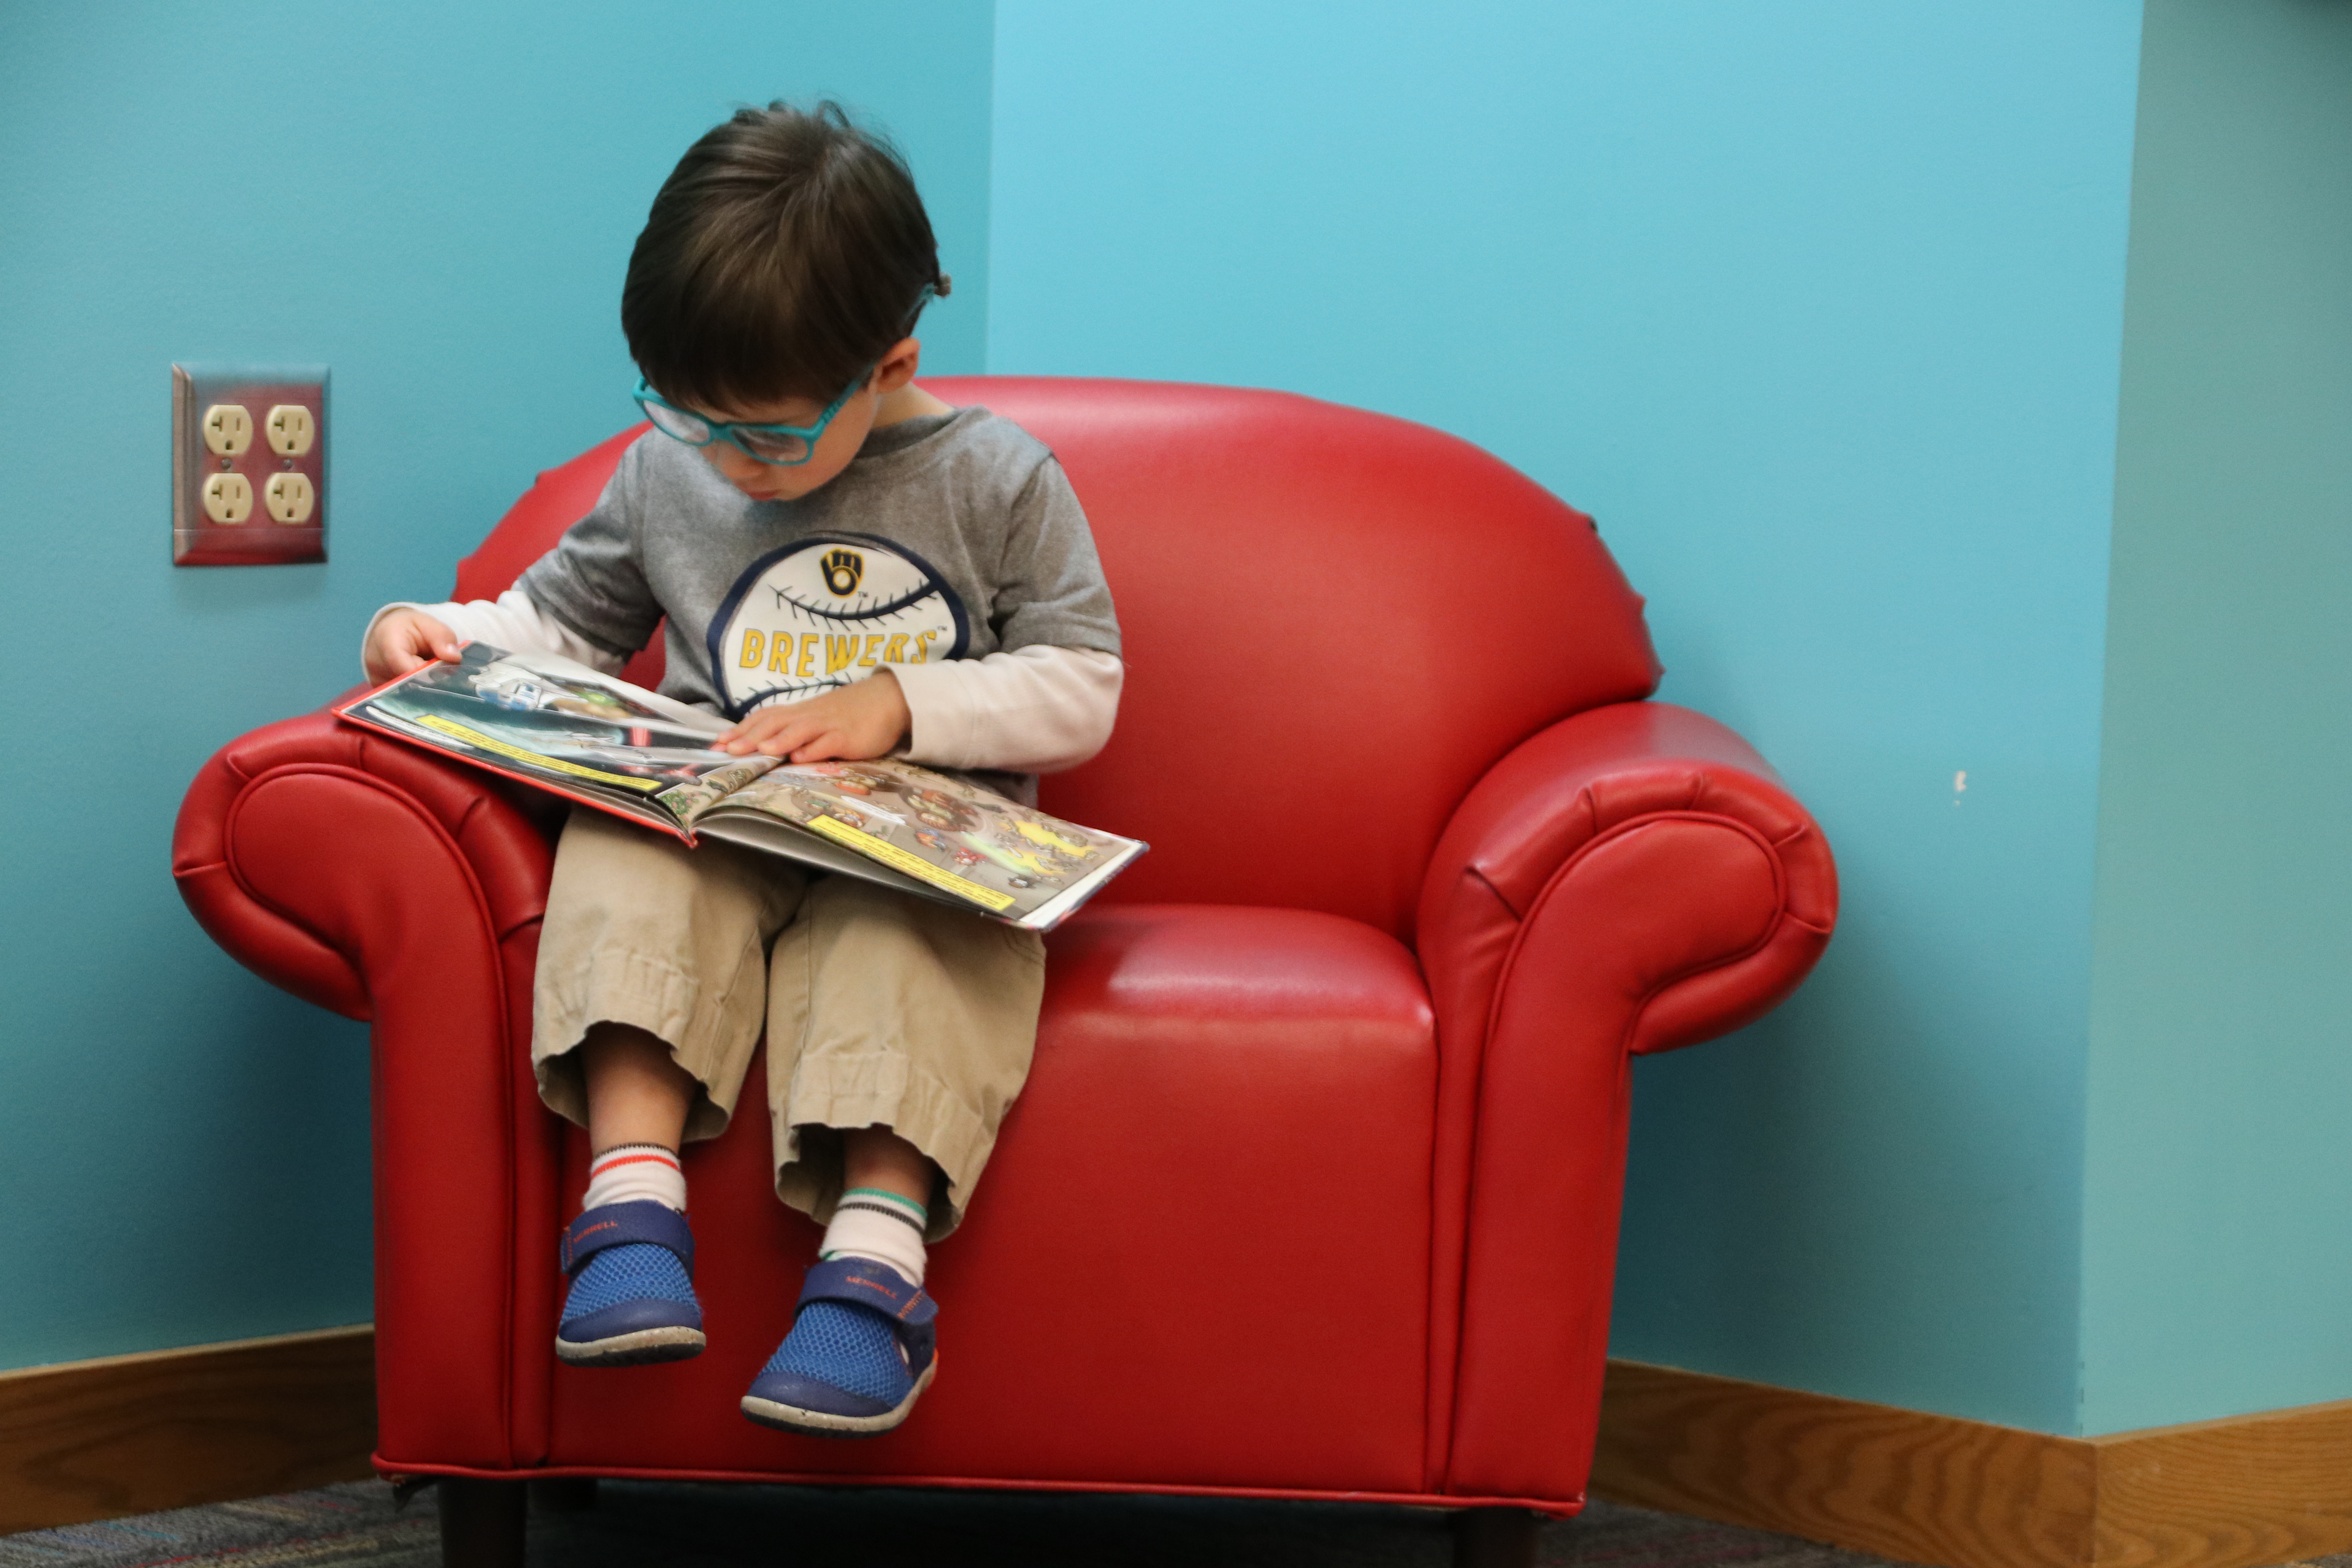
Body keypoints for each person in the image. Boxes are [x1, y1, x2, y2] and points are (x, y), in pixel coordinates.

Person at [359, 101, 1122, 1438]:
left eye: (767, 437)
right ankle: (631, 1208)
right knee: (619, 854)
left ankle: (875, 1277)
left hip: (918, 846)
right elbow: (562, 624)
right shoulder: (671, 474)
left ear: (890, 365)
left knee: (908, 947)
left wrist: (900, 701)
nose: (730, 463)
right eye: (690, 417)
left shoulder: (998, 479)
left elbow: (1084, 686)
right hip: (719, 809)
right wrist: (442, 634)